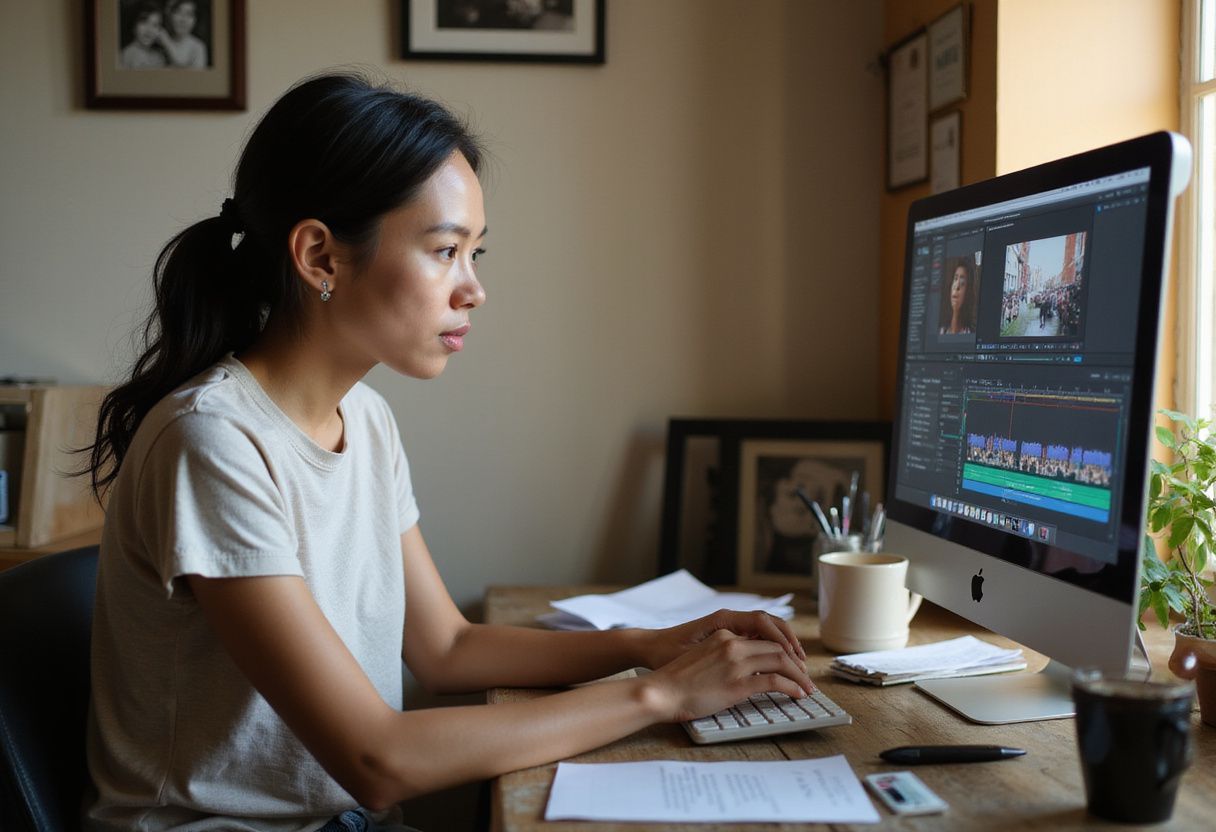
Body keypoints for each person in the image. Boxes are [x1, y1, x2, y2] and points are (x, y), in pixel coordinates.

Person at [80, 72, 812, 832]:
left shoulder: (364, 416)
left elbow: (446, 647)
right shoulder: (213, 442)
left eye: (475, 253)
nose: (474, 290)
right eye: (444, 251)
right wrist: (660, 694)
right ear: (320, 257)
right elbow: (378, 760)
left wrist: (652, 645)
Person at [157, 0, 208, 69]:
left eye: (189, 14)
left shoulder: (198, 47)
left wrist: (166, 42)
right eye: (178, 12)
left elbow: (197, 78)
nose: (183, 20)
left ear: (195, 20)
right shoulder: (158, 39)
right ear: (169, 15)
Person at [119, 3, 167, 69]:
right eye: (144, 22)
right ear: (134, 25)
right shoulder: (126, 55)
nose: (149, 30)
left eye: (155, 25)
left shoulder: (159, 56)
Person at [938, 259, 976, 335]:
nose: (957, 286)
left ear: (968, 291)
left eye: (962, 282)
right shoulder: (941, 331)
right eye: (955, 279)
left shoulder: (971, 333)